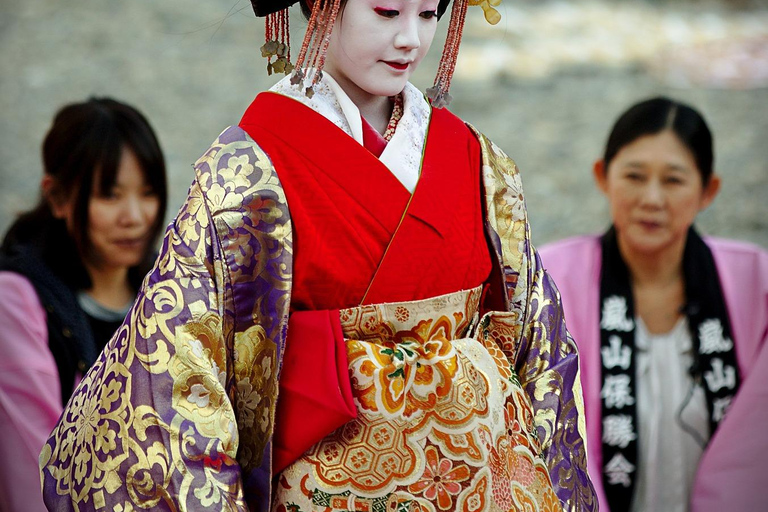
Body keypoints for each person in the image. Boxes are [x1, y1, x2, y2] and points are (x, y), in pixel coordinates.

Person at [39, 1, 596, 511]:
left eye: (428, 13)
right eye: (385, 11)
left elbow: (540, 350)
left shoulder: (478, 162)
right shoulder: (247, 176)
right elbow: (181, 384)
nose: (411, 39)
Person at [539, 97, 768, 512]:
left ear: (708, 190)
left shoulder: (756, 282)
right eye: (634, 175)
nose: (652, 198)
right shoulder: (552, 279)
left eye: (674, 180)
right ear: (603, 176)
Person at [0, 97, 167, 512]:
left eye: (147, 193)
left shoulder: (164, 294)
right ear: (57, 198)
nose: (134, 216)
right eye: (109, 196)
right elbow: (38, 471)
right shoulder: (16, 302)